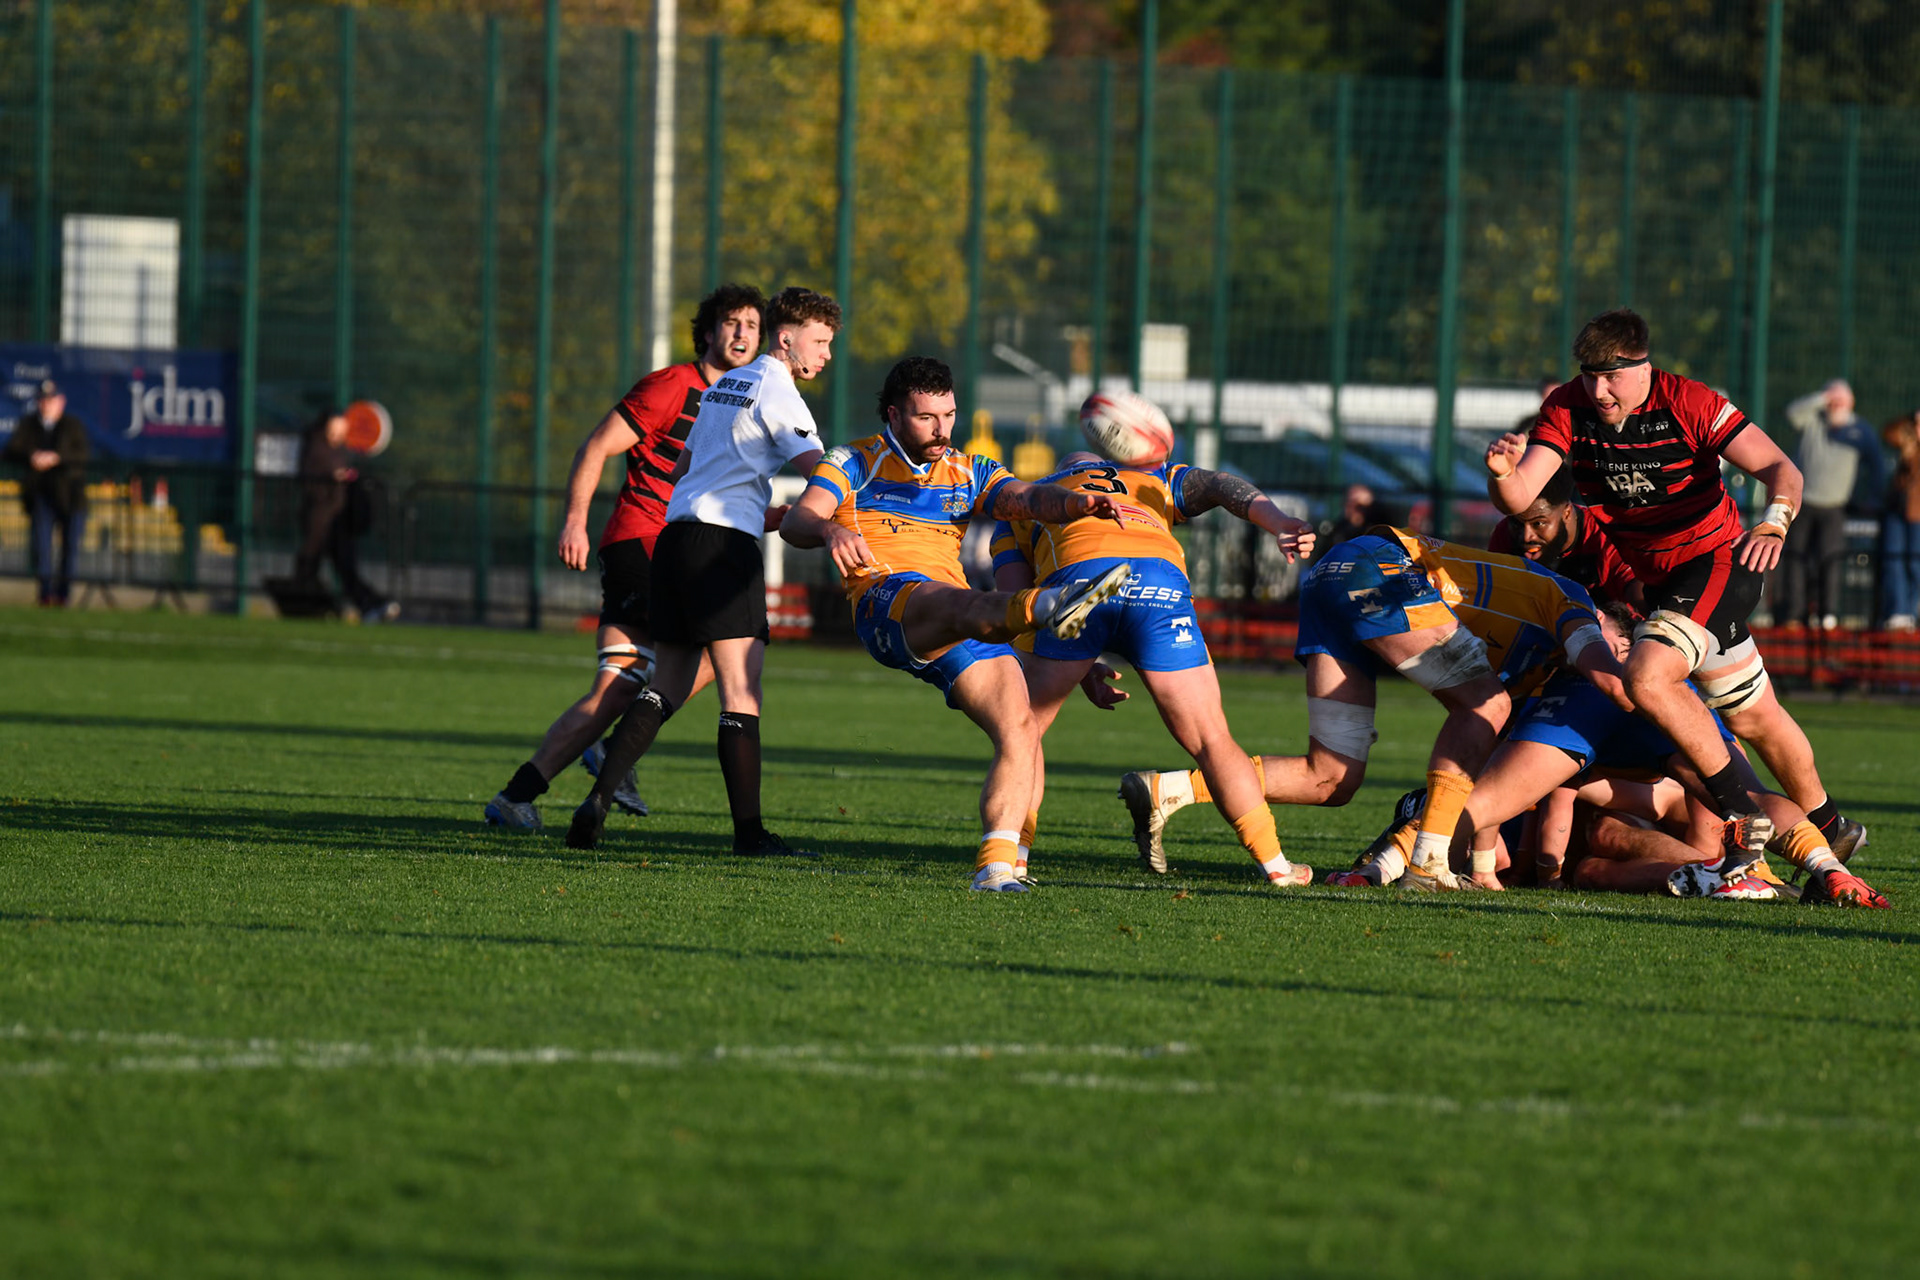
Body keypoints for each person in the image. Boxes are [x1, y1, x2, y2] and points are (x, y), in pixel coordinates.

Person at [1484, 308, 1864, 891]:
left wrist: (1775, 523)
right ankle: (1830, 825)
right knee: (1752, 713)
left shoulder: (1690, 403)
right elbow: (1521, 497)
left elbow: (1779, 467)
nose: (1599, 389)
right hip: (1665, 584)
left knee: (1648, 675)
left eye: (1612, 375)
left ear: (1643, 366)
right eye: (1589, 374)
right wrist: (1502, 474)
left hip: (1718, 561)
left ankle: (1742, 815)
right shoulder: (1566, 407)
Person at [779, 358, 1132, 893]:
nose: (942, 430)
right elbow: (797, 519)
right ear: (895, 415)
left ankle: (997, 868)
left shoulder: (970, 470)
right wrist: (830, 531)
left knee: (1022, 731)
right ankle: (1049, 607)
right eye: (927, 418)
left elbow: (1029, 498)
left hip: (961, 617)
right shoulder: (853, 459)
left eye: (949, 415)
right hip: (887, 602)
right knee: (960, 601)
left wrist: (1076, 503)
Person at [1124, 529, 1628, 891]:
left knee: (1330, 779)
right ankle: (1428, 865)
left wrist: (1481, 866)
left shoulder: (1541, 671)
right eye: (1625, 647)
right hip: (1382, 565)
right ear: (1610, 622)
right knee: (1485, 703)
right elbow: (1604, 669)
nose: (1617, 658)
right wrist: (1655, 692)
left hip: (1332, 583)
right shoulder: (1577, 603)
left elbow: (1482, 753)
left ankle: (1170, 788)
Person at [563, 286, 837, 855]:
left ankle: (599, 799)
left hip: (676, 539)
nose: (827, 354)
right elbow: (820, 471)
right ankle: (750, 835)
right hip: (721, 549)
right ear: (787, 340)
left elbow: (688, 466)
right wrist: (844, 517)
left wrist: (749, 508)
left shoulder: (724, 388)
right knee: (741, 690)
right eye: (821, 341)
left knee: (666, 682)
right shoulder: (778, 391)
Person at [485, 284, 767, 831]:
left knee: (621, 683)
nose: (741, 334)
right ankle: (623, 740)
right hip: (643, 541)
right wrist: (574, 520)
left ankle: (517, 795)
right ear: (707, 332)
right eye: (731, 323)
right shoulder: (672, 386)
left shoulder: (742, 398)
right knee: (729, 648)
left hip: (682, 546)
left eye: (751, 325)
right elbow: (597, 445)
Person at [991, 450, 1317, 884]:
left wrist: (1078, 660)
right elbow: (1222, 484)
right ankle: (1276, 865)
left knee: (1024, 733)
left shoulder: (1026, 500)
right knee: (1213, 739)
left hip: (1080, 577)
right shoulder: (1152, 479)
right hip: (1157, 581)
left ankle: (1014, 858)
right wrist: (1279, 524)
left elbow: (1020, 611)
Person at [1773, 380, 1885, 630]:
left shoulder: (1861, 429)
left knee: (1831, 560)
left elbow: (1877, 467)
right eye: (1832, 400)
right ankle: (1794, 613)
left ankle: (1828, 615)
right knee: (1796, 558)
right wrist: (1822, 398)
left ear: (1851, 403)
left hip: (1835, 507)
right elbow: (1792, 413)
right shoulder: (1813, 420)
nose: (1836, 405)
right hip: (1803, 502)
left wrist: (1872, 500)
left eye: (1841, 400)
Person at [1486, 463, 1642, 612]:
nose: (1527, 536)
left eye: (1539, 523)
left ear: (1567, 513)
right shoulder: (1505, 533)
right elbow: (1493, 597)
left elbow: (1639, 595)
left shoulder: (1606, 535)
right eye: (1516, 524)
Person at [293, 407, 396, 623]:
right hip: (320, 521)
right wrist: (330, 479)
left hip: (338, 520)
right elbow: (308, 480)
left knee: (345, 567)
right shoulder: (315, 447)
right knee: (310, 566)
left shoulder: (339, 450)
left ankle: (370, 604)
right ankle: (311, 607)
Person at [4, 379, 89, 606]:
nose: (46, 404)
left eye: (51, 400)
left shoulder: (72, 425)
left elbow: (82, 455)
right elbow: (12, 449)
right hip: (42, 495)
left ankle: (63, 595)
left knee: (70, 547)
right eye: (43, 399)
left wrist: (57, 458)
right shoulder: (29, 424)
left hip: (71, 497)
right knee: (42, 546)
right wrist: (32, 456)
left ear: (61, 401)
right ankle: (45, 594)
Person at [1879, 410, 1920, 630]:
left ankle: (1911, 611)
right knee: (1893, 560)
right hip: (1897, 509)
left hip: (1917, 514)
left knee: (1915, 563)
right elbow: (1889, 434)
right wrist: (1911, 419)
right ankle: (1898, 611)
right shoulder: (1908, 438)